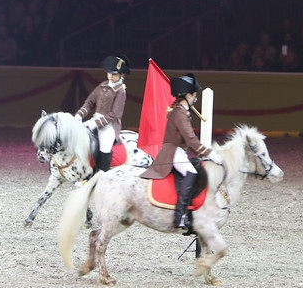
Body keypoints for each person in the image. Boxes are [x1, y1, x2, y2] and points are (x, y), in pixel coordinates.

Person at [139, 73, 213, 233]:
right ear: (187, 95)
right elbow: (190, 138)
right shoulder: (179, 112)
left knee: (193, 167)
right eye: (194, 95)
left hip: (178, 150)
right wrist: (208, 152)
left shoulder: (181, 111)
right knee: (192, 172)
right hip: (173, 151)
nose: (195, 99)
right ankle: (179, 215)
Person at [75, 55, 130, 172]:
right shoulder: (102, 86)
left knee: (104, 147)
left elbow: (114, 114)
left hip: (109, 125)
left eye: (114, 74)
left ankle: (103, 173)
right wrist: (80, 114)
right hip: (95, 119)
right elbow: (89, 102)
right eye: (109, 73)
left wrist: (96, 124)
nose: (111, 76)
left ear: (120, 75)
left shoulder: (121, 91)